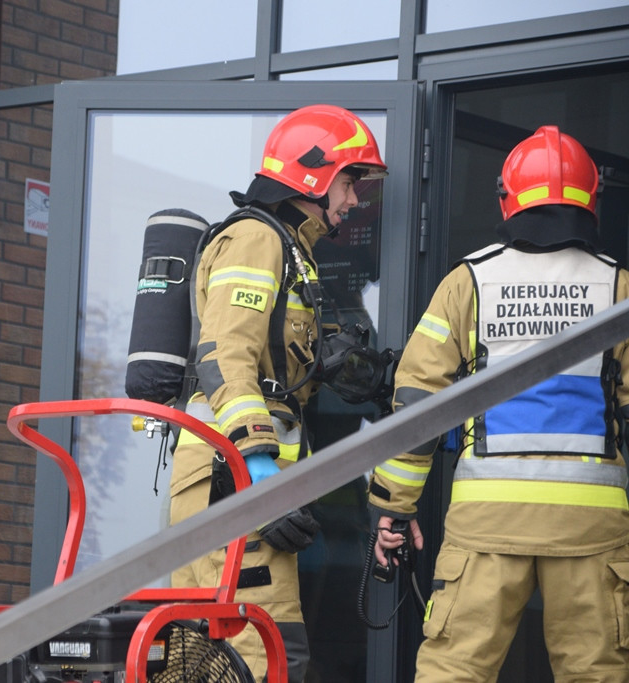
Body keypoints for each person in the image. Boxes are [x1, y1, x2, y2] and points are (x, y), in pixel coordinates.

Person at [368, 125, 629, 681]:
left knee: (454, 670)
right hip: (592, 529)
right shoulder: (619, 289)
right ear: (592, 201)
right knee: (597, 672)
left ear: (507, 199)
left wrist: (394, 508)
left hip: (485, 524)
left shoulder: (469, 283)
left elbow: (418, 404)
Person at [169, 104, 389, 681]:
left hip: (233, 484)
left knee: (208, 662)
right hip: (234, 484)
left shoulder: (292, 250)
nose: (352, 201)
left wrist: (334, 364)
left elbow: (271, 364)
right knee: (261, 654)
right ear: (312, 174)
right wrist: (259, 477)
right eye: (349, 182)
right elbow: (224, 355)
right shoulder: (256, 239)